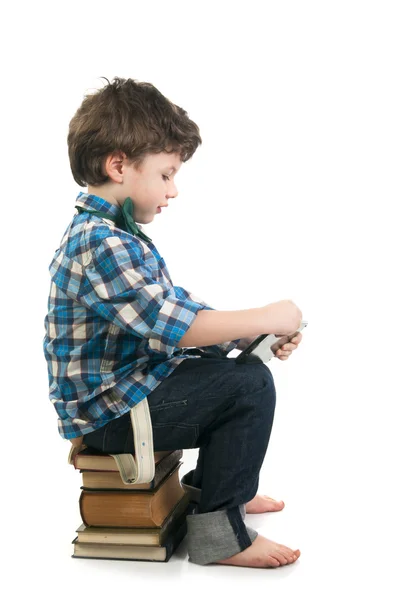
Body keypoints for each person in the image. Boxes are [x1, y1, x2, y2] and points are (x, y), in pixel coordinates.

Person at [43, 76, 304, 568]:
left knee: (232, 363)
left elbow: (171, 306)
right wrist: (268, 314)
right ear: (118, 165)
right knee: (247, 385)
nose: (174, 189)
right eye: (166, 174)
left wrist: (246, 333)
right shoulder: (100, 241)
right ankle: (220, 539)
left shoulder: (115, 233)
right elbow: (172, 326)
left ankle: (224, 495)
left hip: (126, 394)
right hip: (111, 416)